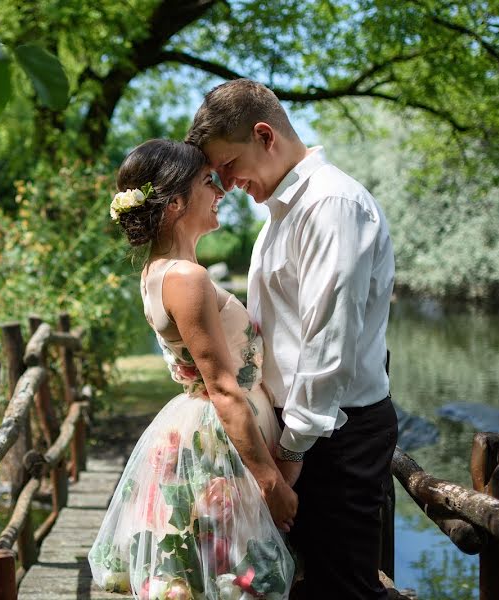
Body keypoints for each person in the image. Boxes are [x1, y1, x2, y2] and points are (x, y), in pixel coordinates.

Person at [186, 79, 398, 600]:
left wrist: (287, 457)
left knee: (342, 588)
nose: (228, 184)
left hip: (333, 438)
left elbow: (329, 343)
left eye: (229, 166)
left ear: (265, 135)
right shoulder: (281, 214)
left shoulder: (331, 206)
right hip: (298, 432)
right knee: (292, 584)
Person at [88, 139, 296, 599]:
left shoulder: (162, 271)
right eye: (208, 181)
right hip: (218, 440)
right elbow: (223, 388)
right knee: (234, 578)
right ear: (175, 203)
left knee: (214, 577)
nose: (220, 190)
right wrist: (272, 481)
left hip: (213, 430)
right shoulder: (187, 278)